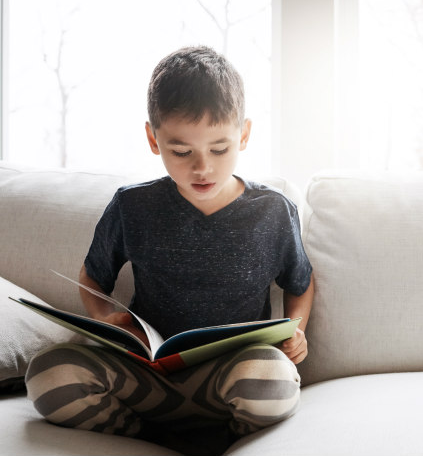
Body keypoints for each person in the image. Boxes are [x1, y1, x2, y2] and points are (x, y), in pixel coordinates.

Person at [25, 46, 314, 456]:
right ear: (152, 139)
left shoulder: (272, 211)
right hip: (147, 375)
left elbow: (300, 282)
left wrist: (296, 328)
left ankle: (224, 438)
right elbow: (92, 277)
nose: (203, 168)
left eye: (219, 149)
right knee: (49, 372)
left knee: (271, 379)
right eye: (181, 151)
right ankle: (146, 440)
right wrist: (106, 317)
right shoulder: (132, 206)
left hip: (229, 378)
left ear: (244, 135)